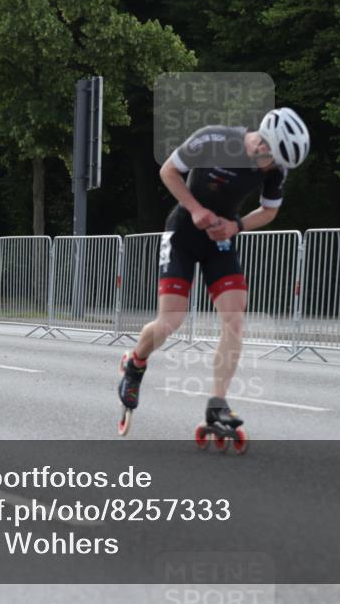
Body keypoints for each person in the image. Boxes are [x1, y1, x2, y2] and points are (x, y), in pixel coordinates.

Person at [117, 108, 310, 435]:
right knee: (170, 323)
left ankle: (217, 405)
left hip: (219, 238)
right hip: (182, 232)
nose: (275, 169)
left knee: (235, 319)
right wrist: (195, 210)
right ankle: (135, 364)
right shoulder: (214, 138)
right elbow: (168, 172)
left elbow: (269, 211)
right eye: (274, 160)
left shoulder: (275, 169)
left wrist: (236, 226)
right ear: (262, 144)